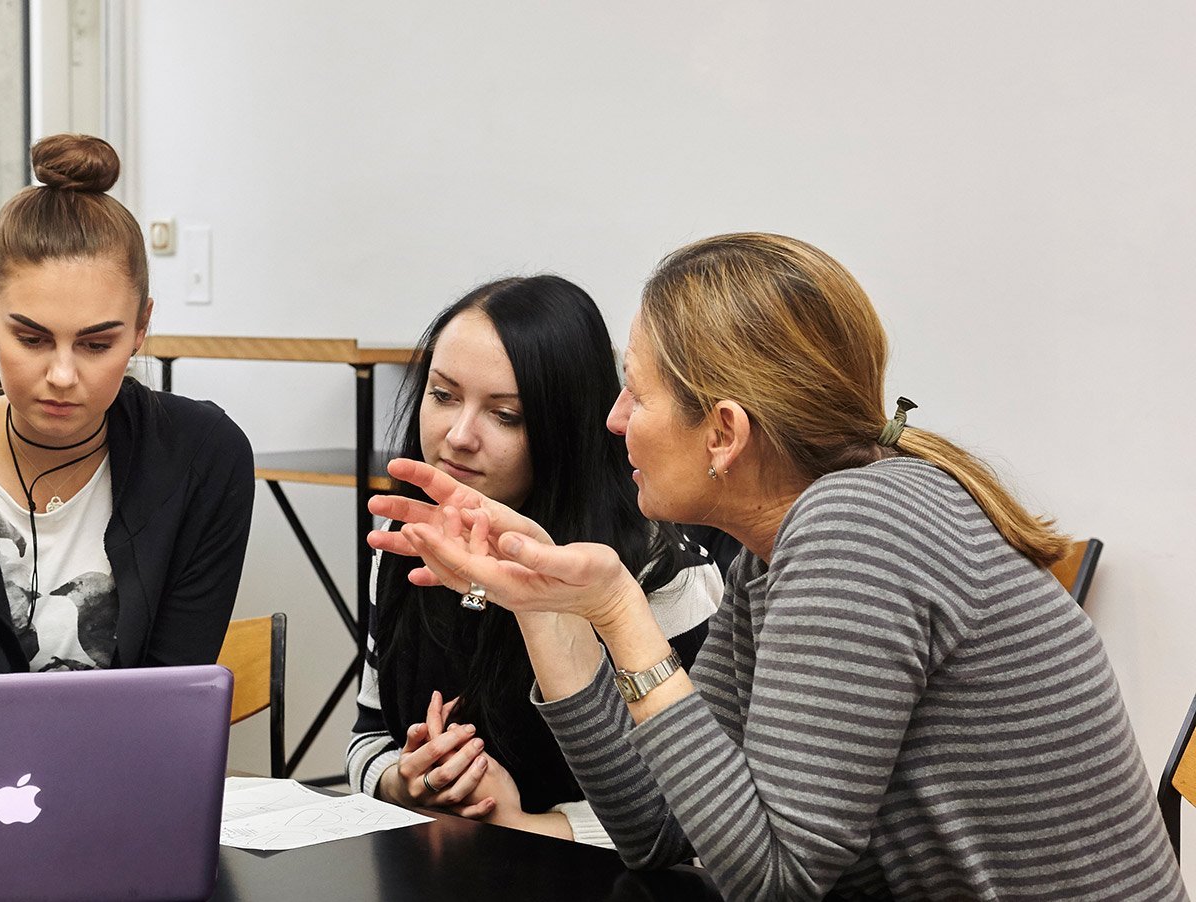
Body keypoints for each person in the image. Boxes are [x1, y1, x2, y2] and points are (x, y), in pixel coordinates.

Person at [379, 233, 1187, 899]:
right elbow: (660, 832)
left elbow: (773, 880)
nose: (615, 419)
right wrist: (551, 599)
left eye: (637, 393)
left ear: (723, 434)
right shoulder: (780, 552)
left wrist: (624, 617)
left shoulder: (858, 528)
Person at [0, 134, 254, 676]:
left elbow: (168, 703)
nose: (62, 376)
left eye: (96, 345)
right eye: (33, 339)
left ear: (141, 327)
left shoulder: (204, 460)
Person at [344, 276, 720, 846]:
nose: (459, 435)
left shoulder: (657, 571)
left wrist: (530, 827)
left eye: (506, 415)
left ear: (566, 426)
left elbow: (701, 822)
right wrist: (406, 782)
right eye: (443, 395)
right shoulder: (409, 539)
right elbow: (368, 738)